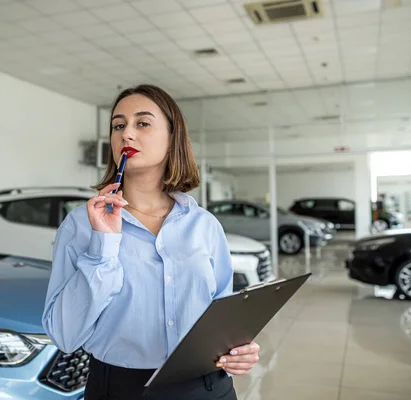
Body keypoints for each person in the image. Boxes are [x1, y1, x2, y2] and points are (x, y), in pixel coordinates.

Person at [42, 84, 260, 399]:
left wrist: (238, 351)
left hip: (208, 386)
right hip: (120, 389)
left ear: (173, 138)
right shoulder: (80, 225)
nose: (126, 134)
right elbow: (64, 335)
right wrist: (104, 247)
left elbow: (220, 317)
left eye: (142, 123)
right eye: (118, 125)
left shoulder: (204, 225)